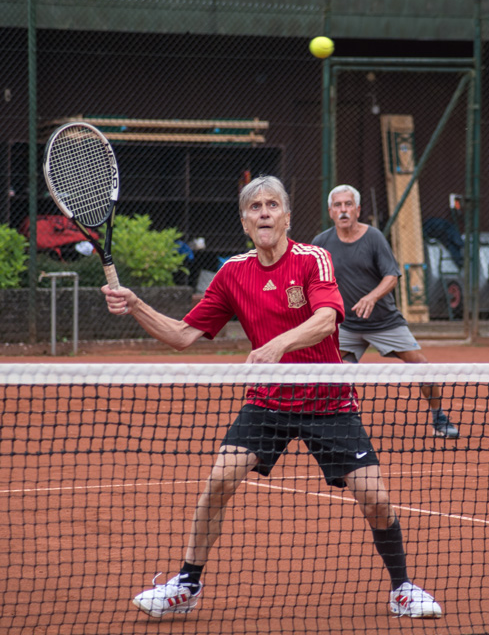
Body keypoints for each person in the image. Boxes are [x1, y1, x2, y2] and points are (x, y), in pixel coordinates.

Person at [102, 176, 442, 619]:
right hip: (268, 403)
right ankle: (186, 584)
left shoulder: (313, 259)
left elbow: (325, 320)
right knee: (219, 482)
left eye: (271, 205)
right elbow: (183, 335)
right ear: (245, 222)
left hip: (328, 401)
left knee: (375, 499)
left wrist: (278, 345)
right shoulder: (232, 273)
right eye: (254, 207)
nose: (263, 212)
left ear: (285, 216)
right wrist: (137, 306)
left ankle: (402, 588)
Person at [312, 184, 458, 439]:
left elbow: (392, 275)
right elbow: (311, 279)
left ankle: (439, 417)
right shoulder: (321, 243)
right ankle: (340, 421)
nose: (343, 210)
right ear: (330, 211)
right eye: (338, 205)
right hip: (346, 325)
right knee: (337, 372)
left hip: (384, 322)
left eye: (348, 205)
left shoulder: (374, 238)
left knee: (422, 366)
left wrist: (372, 296)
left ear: (358, 210)